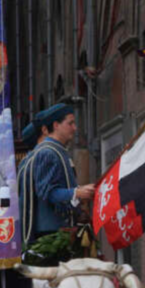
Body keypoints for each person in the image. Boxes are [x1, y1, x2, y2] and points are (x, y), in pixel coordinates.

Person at [17, 104, 96, 246]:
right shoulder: (48, 152)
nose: (75, 128)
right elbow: (47, 192)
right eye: (70, 123)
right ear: (56, 125)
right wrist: (77, 193)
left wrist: (79, 192)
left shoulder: (56, 151)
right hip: (51, 235)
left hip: (57, 232)